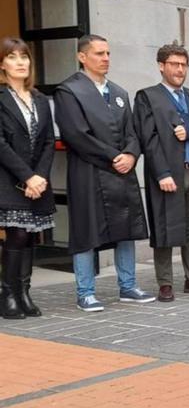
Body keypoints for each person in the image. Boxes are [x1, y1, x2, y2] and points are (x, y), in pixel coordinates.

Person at [54, 35, 155, 311]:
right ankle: (85, 292)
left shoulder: (119, 93)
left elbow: (132, 132)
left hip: (122, 171)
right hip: (89, 171)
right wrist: (113, 157)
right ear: (82, 57)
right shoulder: (69, 91)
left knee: (126, 228)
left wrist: (132, 155)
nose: (106, 58)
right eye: (99, 53)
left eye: (108, 53)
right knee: (86, 230)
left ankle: (128, 286)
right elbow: (76, 134)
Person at [133, 44, 189, 303]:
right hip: (169, 173)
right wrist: (161, 173)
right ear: (162, 66)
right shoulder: (148, 97)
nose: (179, 69)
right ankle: (165, 283)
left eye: (183, 64)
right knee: (165, 227)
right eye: (174, 64)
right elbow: (147, 139)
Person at [0, 37, 55, 318]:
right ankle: (7, 294)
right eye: (12, 57)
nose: (20, 62)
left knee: (31, 237)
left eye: (24, 56)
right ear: (2, 64)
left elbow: (48, 142)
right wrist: (27, 177)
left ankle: (24, 292)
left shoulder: (41, 100)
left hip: (37, 182)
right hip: (9, 181)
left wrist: (40, 177)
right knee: (17, 235)